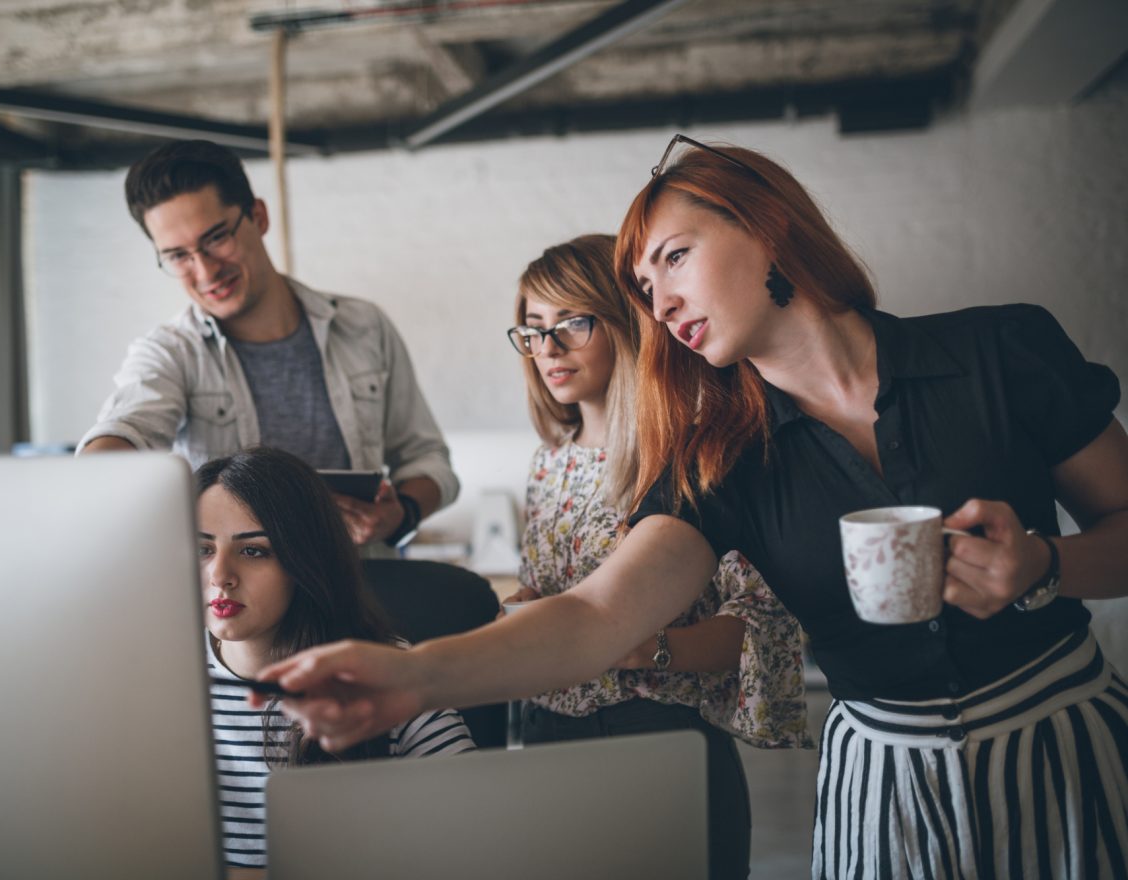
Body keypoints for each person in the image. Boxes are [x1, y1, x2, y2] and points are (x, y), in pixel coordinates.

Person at [253, 138, 1128, 878]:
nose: (662, 305)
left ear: (767, 227)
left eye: (674, 257)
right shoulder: (719, 463)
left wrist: (1045, 565)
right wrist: (417, 677)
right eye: (642, 285)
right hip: (885, 782)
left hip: (1070, 741)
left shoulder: (1001, 350)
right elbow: (596, 613)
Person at [503, 233, 811, 875]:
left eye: (571, 322)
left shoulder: (696, 457)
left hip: (654, 732)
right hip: (546, 737)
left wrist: (647, 646)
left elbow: (766, 624)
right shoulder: (546, 463)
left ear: (626, 320)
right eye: (532, 330)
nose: (547, 349)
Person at [80, 140, 457, 553]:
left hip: (362, 591)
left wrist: (401, 512)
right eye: (178, 256)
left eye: (216, 238)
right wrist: (97, 477)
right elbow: (127, 426)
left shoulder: (364, 327)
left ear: (258, 216)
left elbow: (427, 458)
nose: (204, 270)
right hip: (232, 608)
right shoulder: (170, 352)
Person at [195, 447, 475, 871]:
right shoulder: (162, 677)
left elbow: (477, 824)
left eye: (254, 551)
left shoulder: (383, 669)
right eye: (203, 550)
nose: (220, 575)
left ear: (305, 563)